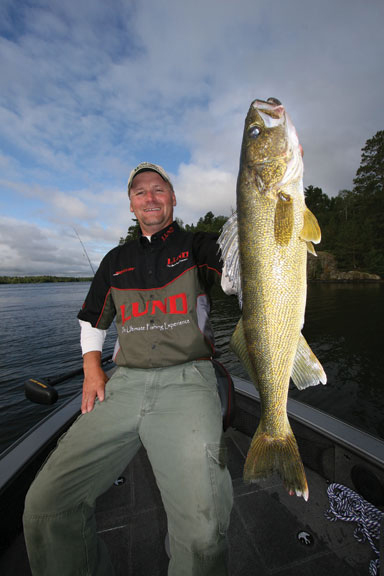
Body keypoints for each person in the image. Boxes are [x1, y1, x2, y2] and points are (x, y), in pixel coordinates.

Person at [23, 162, 234, 576]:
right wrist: (92, 369)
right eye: (140, 192)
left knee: (203, 534)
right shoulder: (115, 260)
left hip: (188, 381)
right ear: (131, 205)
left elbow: (237, 274)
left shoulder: (198, 246)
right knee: (45, 507)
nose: (150, 197)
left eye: (159, 189)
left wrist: (273, 200)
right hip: (125, 382)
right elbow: (90, 319)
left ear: (173, 199)